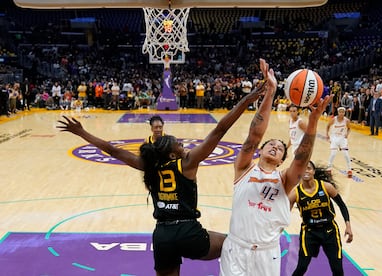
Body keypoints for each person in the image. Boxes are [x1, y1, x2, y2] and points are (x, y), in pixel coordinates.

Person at [57, 59, 269, 276]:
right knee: (232, 245)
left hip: (163, 235)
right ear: (171, 153)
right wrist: (247, 99)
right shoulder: (187, 163)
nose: (181, 143)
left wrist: (82, 133)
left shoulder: (149, 166)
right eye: (177, 143)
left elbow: (113, 151)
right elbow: (220, 129)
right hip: (188, 230)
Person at [219, 60, 332, 276]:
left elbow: (301, 159)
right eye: (270, 144)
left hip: (266, 254)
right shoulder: (244, 169)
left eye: (280, 148)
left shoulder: (285, 180)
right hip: (236, 249)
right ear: (259, 151)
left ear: (281, 161)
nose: (274, 146)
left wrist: (314, 121)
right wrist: (270, 92)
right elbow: (254, 135)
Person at [288, 160, 353, 276]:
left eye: (308, 168)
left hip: (330, 230)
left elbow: (342, 205)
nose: (306, 171)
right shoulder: (295, 193)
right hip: (309, 232)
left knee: (337, 269)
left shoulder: (326, 187)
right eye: (303, 168)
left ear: (313, 171)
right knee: (301, 267)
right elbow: (283, 213)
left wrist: (348, 226)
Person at [326, 106, 352, 178]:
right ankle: (329, 169)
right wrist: (327, 134)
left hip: (342, 138)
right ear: (338, 112)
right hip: (334, 137)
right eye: (340, 112)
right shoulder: (334, 120)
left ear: (344, 113)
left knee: (346, 154)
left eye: (342, 112)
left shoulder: (346, 120)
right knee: (333, 154)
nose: (341, 113)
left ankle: (349, 170)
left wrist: (347, 134)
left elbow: (349, 128)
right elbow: (328, 126)